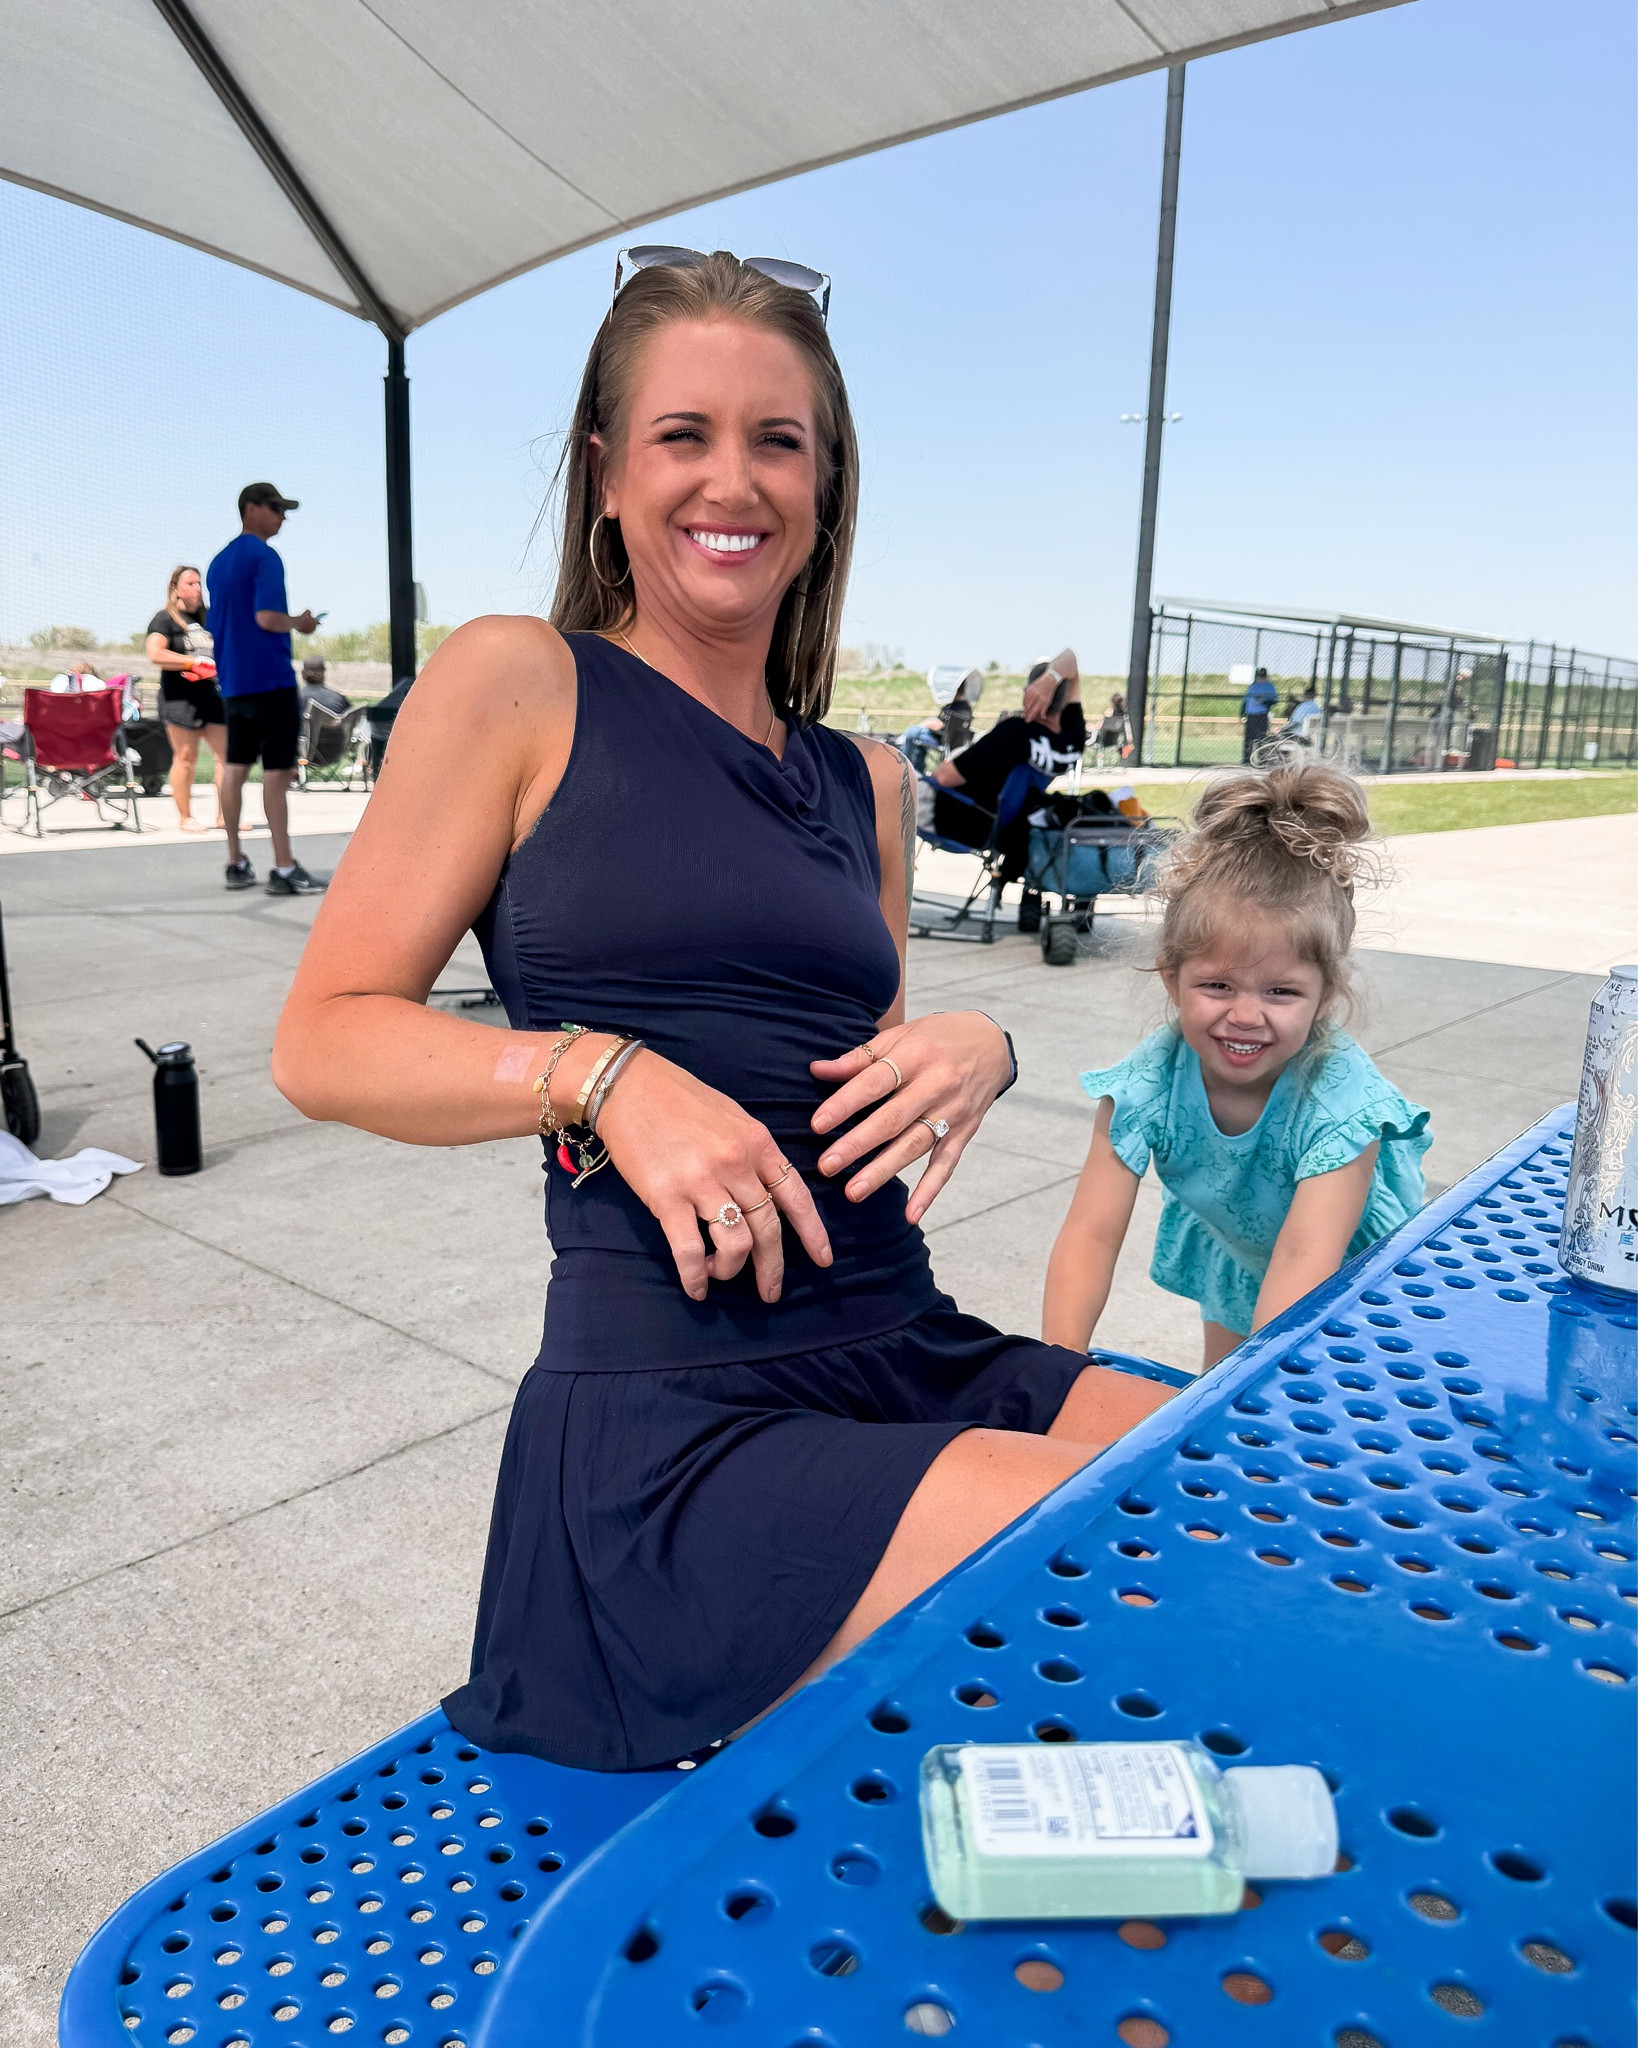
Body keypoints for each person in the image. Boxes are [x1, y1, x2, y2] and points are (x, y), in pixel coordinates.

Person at [271, 250, 1174, 1772]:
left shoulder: (863, 781)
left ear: (823, 486)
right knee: (1089, 1566)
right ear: (607, 471)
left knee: (1232, 1464)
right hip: (674, 1428)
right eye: (683, 434)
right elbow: (325, 1036)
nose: (732, 480)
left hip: (901, 1345)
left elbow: (858, 1061)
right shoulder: (520, 683)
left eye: (778, 441)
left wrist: (977, 1041)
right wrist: (602, 1076)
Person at [1042, 756, 1430, 1374]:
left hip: (1360, 1281)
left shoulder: (1342, 1105)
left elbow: (1308, 1257)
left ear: (1326, 994)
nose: (1246, 1016)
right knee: (1221, 1410)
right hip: (1239, 1256)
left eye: (1281, 992)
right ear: (1172, 979)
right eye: (1218, 985)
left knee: (1326, 1422)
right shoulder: (1148, 1084)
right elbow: (1091, 1233)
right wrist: (1054, 1370)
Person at [207, 483, 326, 894]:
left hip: (234, 684)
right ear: (251, 509)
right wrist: (301, 623)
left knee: (235, 769)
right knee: (277, 775)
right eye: (276, 508)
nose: (282, 517)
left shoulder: (218, 563)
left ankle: (235, 861)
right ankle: (283, 868)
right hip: (271, 681)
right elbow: (267, 618)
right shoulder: (265, 556)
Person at [929, 648, 1087, 874]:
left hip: (968, 823)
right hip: (1010, 826)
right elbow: (1071, 660)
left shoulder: (1014, 734)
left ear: (1030, 692)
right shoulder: (1073, 740)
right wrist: (1051, 680)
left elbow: (943, 778)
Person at [145, 565, 225, 831]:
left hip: (213, 698)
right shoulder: (164, 619)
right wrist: (192, 663)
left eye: (199, 584)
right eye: (190, 583)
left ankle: (226, 816)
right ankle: (185, 816)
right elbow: (155, 654)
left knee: (227, 757)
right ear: (175, 588)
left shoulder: (209, 618)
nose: (197, 589)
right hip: (179, 700)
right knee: (186, 758)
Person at [1240, 665, 1278, 762]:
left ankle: (1261, 761)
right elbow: (1245, 701)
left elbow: (1273, 701)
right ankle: (1246, 761)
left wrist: (1263, 702)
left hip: (1261, 715)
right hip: (1251, 716)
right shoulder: (1253, 686)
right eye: (1259, 676)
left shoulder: (1269, 686)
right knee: (1248, 740)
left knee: (1261, 739)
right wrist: (1242, 714)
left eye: (1262, 676)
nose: (1260, 678)